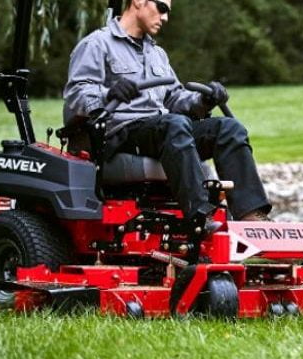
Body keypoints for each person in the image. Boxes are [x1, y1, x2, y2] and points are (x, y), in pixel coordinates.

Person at [63, 0, 272, 225]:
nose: (165, 18)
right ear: (138, 2)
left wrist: (204, 100)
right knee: (174, 125)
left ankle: (252, 217)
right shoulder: (97, 44)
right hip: (119, 134)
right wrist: (108, 94)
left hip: (162, 130)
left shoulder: (157, 53)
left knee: (229, 129)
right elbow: (76, 94)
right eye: (162, 8)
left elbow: (175, 98)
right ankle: (200, 215)